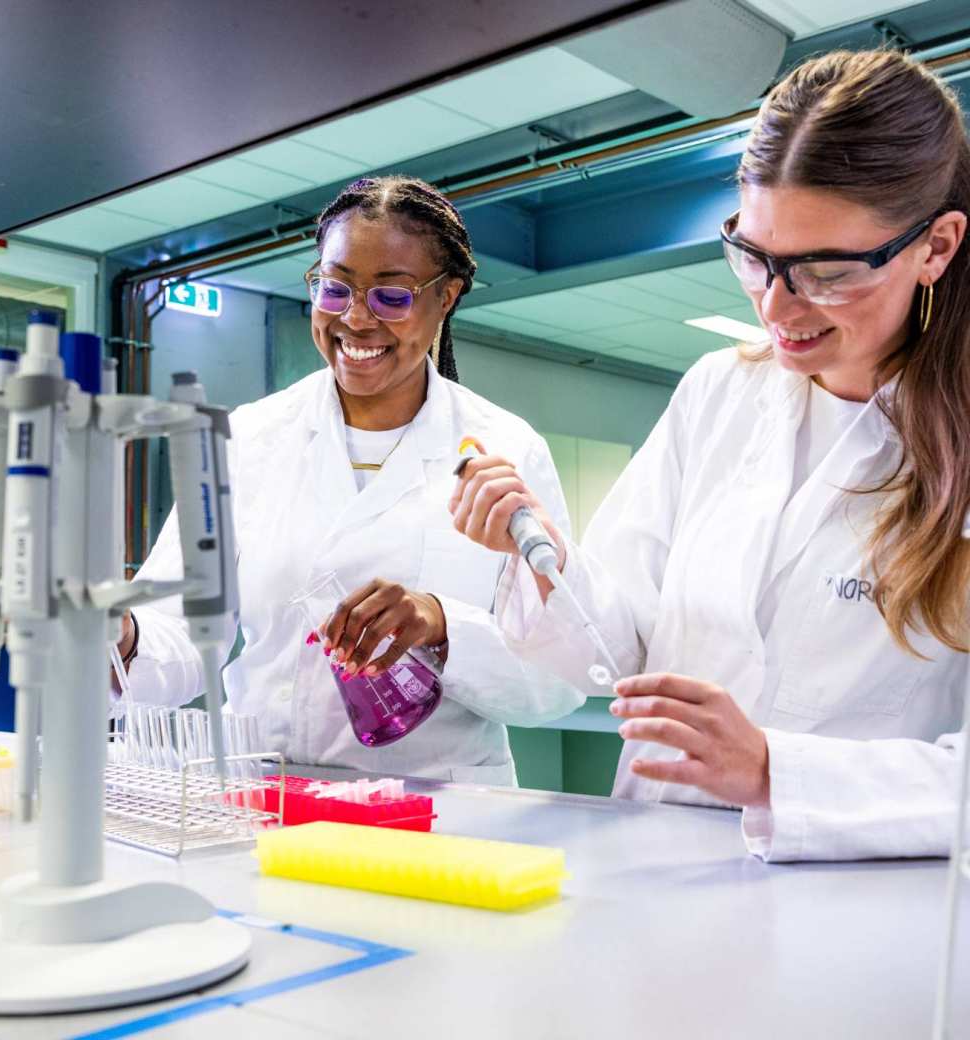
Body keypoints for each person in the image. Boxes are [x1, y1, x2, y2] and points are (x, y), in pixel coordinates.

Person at [450, 49, 970, 860]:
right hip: (655, 870)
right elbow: (617, 650)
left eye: (826, 270)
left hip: (854, 920)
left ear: (935, 247)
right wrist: (546, 565)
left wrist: (775, 772)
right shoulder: (717, 394)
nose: (776, 303)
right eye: (754, 257)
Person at [115, 175, 581, 784]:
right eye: (335, 290)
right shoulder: (246, 440)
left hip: (439, 812)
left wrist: (443, 627)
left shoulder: (505, 450)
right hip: (265, 796)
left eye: (393, 296)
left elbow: (556, 678)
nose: (356, 320)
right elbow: (178, 630)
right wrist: (121, 635)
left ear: (447, 298)